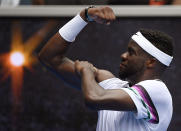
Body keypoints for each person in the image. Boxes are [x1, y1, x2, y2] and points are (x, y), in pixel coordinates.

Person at [38, 6, 173, 131]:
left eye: (131, 52)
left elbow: (94, 98)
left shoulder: (157, 91)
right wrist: (84, 16)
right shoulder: (113, 85)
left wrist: (86, 71)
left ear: (150, 62)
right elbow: (49, 58)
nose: (123, 55)